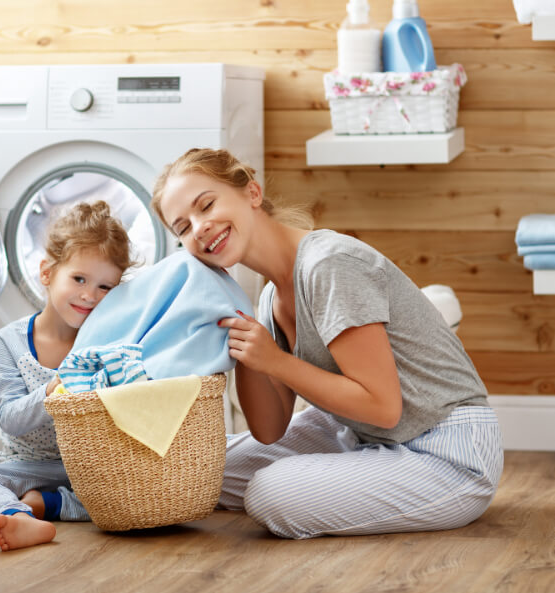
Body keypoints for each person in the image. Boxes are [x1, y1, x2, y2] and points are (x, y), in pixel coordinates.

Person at [152, 148, 504, 539]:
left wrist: (275, 361)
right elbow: (269, 430)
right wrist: (243, 337)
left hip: (446, 451)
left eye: (206, 205)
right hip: (358, 434)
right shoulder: (269, 298)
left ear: (252, 193)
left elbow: (384, 408)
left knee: (270, 492)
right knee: (197, 470)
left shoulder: (328, 264)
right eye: (183, 228)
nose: (199, 227)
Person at [0, 201, 133, 550]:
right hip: (25, 466)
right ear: (47, 273)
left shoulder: (108, 344)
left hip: (89, 468)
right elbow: (9, 419)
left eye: (105, 287)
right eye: (79, 279)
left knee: (137, 486)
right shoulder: (9, 342)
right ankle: (16, 515)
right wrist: (52, 390)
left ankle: (45, 505)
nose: (89, 296)